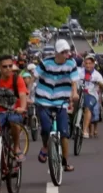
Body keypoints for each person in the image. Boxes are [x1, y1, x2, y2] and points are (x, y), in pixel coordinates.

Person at [34, 39, 79, 171]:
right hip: (43, 99)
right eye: (64, 52)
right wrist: (27, 90)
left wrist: (74, 93)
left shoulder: (71, 63)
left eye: (67, 52)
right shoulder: (46, 62)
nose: (67, 54)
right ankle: (45, 147)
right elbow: (34, 76)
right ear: (57, 53)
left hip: (61, 101)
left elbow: (74, 80)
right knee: (46, 128)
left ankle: (65, 162)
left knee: (64, 133)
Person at [78, 55, 103, 138]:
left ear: (93, 64)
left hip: (91, 95)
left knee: (88, 108)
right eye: (86, 63)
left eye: (90, 63)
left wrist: (100, 84)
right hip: (80, 93)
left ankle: (85, 130)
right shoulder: (79, 72)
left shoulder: (97, 75)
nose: (88, 65)